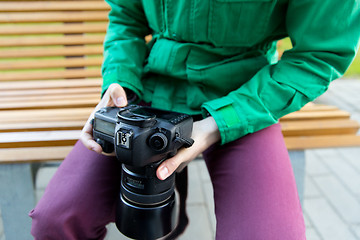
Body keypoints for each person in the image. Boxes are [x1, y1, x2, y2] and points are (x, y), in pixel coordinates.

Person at [29, 0, 360, 239]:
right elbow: (127, 18)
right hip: (146, 94)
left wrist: (217, 124)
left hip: (243, 98)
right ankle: (172, 193)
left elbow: (320, 54)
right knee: (56, 221)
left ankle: (174, 191)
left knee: (268, 233)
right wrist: (119, 83)